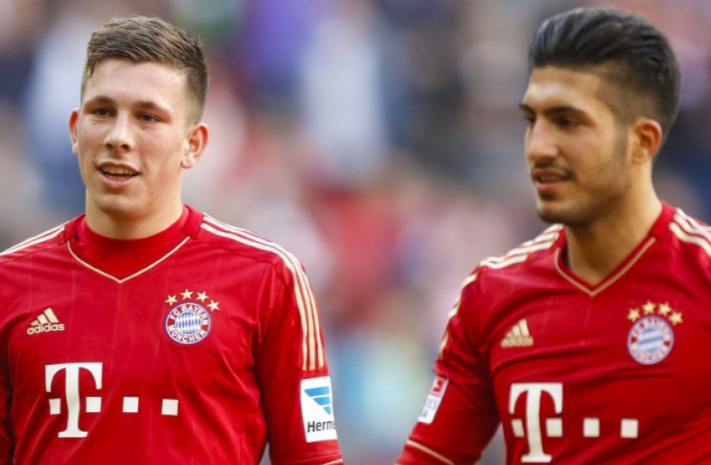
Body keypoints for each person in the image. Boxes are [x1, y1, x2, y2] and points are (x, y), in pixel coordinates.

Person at [0, 16, 343, 465]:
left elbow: (313, 459)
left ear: (193, 144)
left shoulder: (269, 278)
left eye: (148, 117)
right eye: (102, 112)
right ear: (74, 130)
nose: (119, 137)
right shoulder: (10, 283)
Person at [396, 7, 711, 465]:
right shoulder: (491, 295)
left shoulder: (703, 276)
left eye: (568, 122)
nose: (539, 147)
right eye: (532, 120)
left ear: (642, 141)